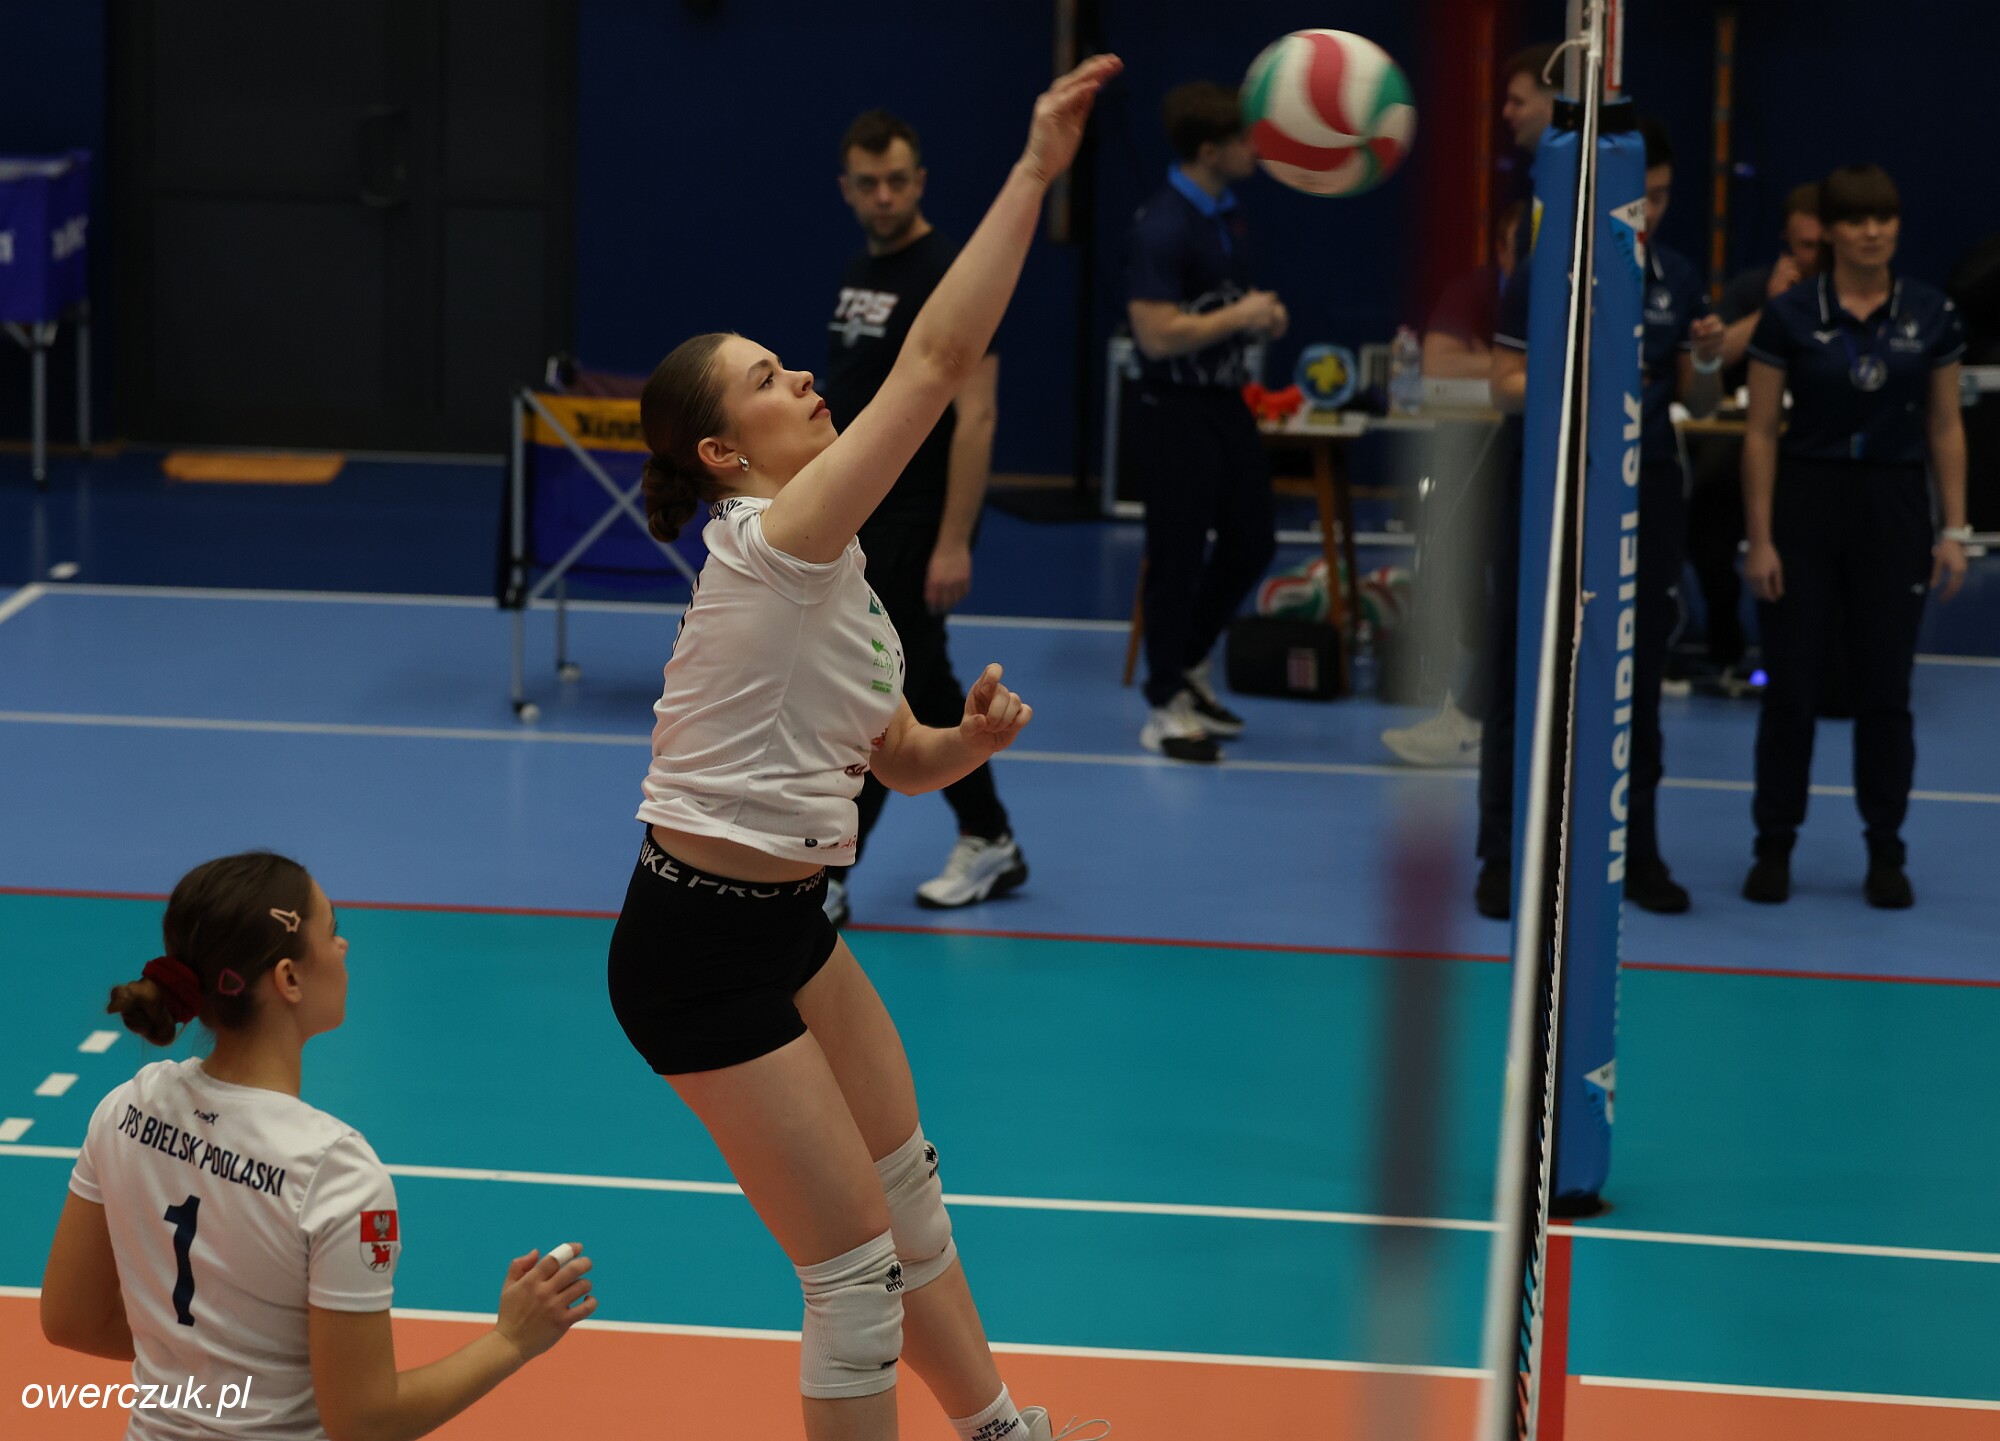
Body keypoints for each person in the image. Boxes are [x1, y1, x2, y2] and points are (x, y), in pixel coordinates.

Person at [611, 56, 1121, 1441]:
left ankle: (996, 1427)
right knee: (852, 1282)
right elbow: (940, 363)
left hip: (792, 923)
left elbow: (896, 760)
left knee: (912, 1208)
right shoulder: (777, 542)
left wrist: (969, 739)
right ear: (726, 452)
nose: (800, 377)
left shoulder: (844, 582)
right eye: (767, 380)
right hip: (694, 952)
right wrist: (1034, 169)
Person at [40, 852, 592, 1440]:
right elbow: (365, 1421)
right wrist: (512, 1339)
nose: (344, 946)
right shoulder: (335, 1171)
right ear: (289, 979)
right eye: (332, 931)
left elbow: (72, 1319)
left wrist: (212, 1358)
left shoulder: (125, 1109)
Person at [1479, 113, 1725, 918]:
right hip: (1550, 483)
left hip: (1643, 483)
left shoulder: (1676, 276)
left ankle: (1635, 851)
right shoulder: (1545, 269)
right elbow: (1503, 386)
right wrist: (1580, 376)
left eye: (1661, 196)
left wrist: (1709, 358)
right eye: (1635, 196)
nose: (1647, 212)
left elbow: (1699, 399)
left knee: (1636, 673)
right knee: (1526, 664)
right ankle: (1503, 853)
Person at [1740, 163, 1969, 908]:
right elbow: (1761, 432)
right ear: (1830, 233)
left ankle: (1886, 851)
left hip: (1893, 507)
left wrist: (1954, 528)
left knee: (1885, 692)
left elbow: (1944, 425)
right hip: (1807, 502)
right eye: (1857, 220)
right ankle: (1774, 845)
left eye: (1884, 218)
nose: (1873, 232)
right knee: (1791, 690)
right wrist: (1761, 539)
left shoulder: (1932, 313)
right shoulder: (1788, 315)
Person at [821, 109, 1025, 929]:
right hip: (864, 510)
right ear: (846, 188)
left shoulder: (947, 272)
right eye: (868, 183)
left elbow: (978, 416)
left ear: (920, 182)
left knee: (878, 684)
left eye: (897, 180)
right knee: (921, 678)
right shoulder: (858, 271)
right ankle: (991, 834)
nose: (884, 195)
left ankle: (833, 872)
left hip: (917, 514)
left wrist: (952, 541)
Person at [1381, 43, 1558, 770]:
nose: (1506, 112)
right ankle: (1483, 715)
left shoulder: (1575, 200)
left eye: (1518, 99)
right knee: (1494, 569)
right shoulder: (1537, 203)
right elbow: (1442, 361)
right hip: (1518, 434)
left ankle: (1490, 719)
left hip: (1556, 443)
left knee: (1524, 585)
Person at [1125, 80, 1287, 763]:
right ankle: (1164, 705)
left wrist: (1259, 317)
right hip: (1174, 409)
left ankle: (1188, 663)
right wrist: (1242, 314)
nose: (1257, 149)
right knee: (1178, 555)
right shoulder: (1162, 223)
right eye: (1245, 140)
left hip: (1225, 401)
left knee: (1255, 540)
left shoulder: (1228, 214)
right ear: (1211, 150)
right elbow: (1156, 333)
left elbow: (1219, 306)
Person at [1684, 184, 1823, 680]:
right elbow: (1715, 355)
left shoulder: (1843, 295)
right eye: (1804, 246)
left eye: (1820, 246)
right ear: (1786, 240)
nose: (1812, 257)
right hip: (1739, 451)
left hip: (1811, 455)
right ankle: (1723, 641)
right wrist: (1775, 310)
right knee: (1707, 520)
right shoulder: (1752, 288)